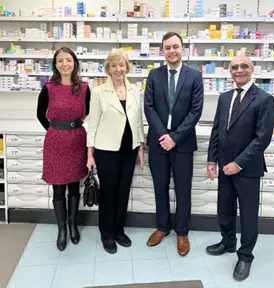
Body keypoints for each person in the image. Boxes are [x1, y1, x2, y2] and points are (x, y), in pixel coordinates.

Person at [206, 55, 274, 281]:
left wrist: (239, 163)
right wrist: (211, 160)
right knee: (224, 209)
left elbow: (262, 139)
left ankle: (245, 255)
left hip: (247, 168)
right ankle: (227, 242)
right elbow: (217, 130)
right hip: (225, 165)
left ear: (251, 69)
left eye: (243, 66)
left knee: (247, 215)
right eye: (234, 67)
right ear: (230, 71)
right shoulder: (225, 98)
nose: (239, 70)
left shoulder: (264, 99)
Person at [144, 32, 204, 256]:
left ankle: (182, 232)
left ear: (182, 49)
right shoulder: (154, 75)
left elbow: (195, 110)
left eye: (175, 47)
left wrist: (175, 137)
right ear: (162, 50)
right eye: (167, 47)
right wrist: (163, 136)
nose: (172, 51)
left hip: (183, 143)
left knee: (183, 189)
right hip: (158, 142)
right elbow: (148, 107)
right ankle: (162, 227)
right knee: (160, 186)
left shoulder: (194, 76)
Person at [86, 48, 145, 254]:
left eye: (122, 65)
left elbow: (138, 120)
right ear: (108, 68)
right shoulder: (99, 92)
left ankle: (119, 230)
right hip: (106, 150)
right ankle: (107, 233)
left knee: (123, 191)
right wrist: (89, 154)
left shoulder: (135, 90)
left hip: (129, 149)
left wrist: (140, 147)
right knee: (109, 192)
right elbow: (92, 124)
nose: (118, 69)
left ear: (127, 67)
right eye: (114, 65)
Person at [36, 47, 91, 251]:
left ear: (74, 63)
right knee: (58, 186)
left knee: (75, 185)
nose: (65, 64)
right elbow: (41, 115)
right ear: (55, 64)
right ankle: (62, 230)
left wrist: (72, 126)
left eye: (69, 60)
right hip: (55, 143)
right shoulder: (48, 88)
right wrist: (56, 130)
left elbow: (86, 112)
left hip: (77, 140)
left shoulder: (84, 88)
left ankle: (73, 224)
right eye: (60, 61)